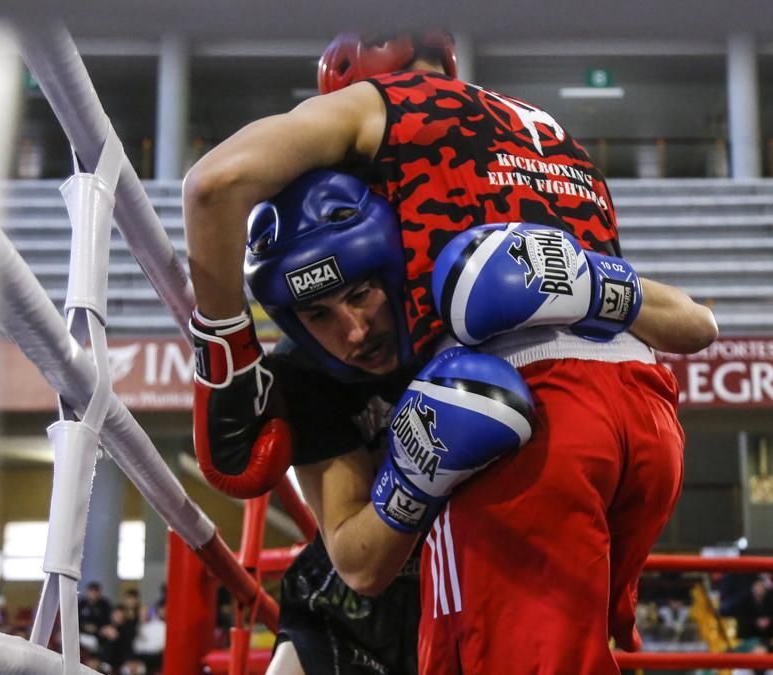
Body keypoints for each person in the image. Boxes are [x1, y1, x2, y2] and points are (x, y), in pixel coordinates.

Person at [183, 30, 717, 675]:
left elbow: (215, 183)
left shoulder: (381, 120)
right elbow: (697, 326)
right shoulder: (545, 149)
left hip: (544, 432)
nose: (352, 332)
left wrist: (225, 363)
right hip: (641, 417)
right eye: (318, 315)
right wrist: (412, 475)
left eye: (361, 294)